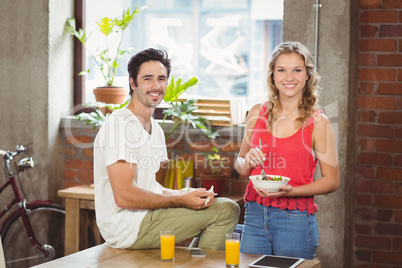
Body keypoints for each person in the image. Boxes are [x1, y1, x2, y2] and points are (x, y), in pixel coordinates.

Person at [93, 48, 240, 251]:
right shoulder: (121, 126)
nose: (156, 86)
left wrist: (186, 193)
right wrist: (179, 199)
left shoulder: (155, 130)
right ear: (133, 83)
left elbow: (152, 187)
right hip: (125, 226)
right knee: (227, 210)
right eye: (147, 78)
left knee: (213, 207)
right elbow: (124, 196)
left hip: (144, 218)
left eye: (161, 78)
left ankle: (194, 262)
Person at [235, 41, 339, 259]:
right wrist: (248, 162)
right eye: (281, 70)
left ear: (308, 75)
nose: (289, 77)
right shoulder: (256, 112)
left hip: (295, 219)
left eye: (297, 70)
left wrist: (290, 191)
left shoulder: (319, 122)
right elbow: (241, 166)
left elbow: (332, 181)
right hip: (254, 214)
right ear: (273, 75)